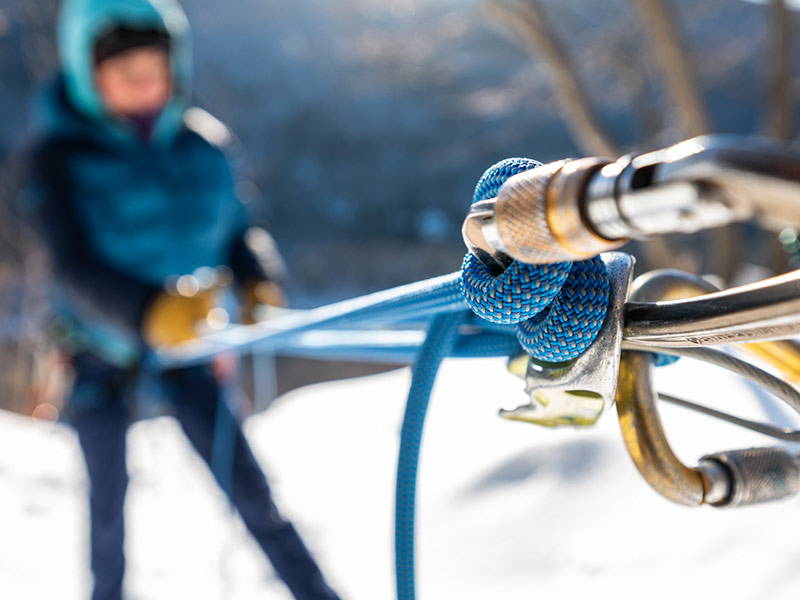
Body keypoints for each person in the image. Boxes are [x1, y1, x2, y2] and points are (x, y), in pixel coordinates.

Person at [26, 1, 341, 599]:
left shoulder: (205, 145)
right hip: (98, 349)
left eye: (154, 69)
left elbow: (238, 229)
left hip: (191, 339)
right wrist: (147, 311)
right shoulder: (58, 158)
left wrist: (257, 280)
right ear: (87, 75)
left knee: (252, 492)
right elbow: (69, 262)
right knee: (107, 510)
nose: (145, 86)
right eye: (126, 73)